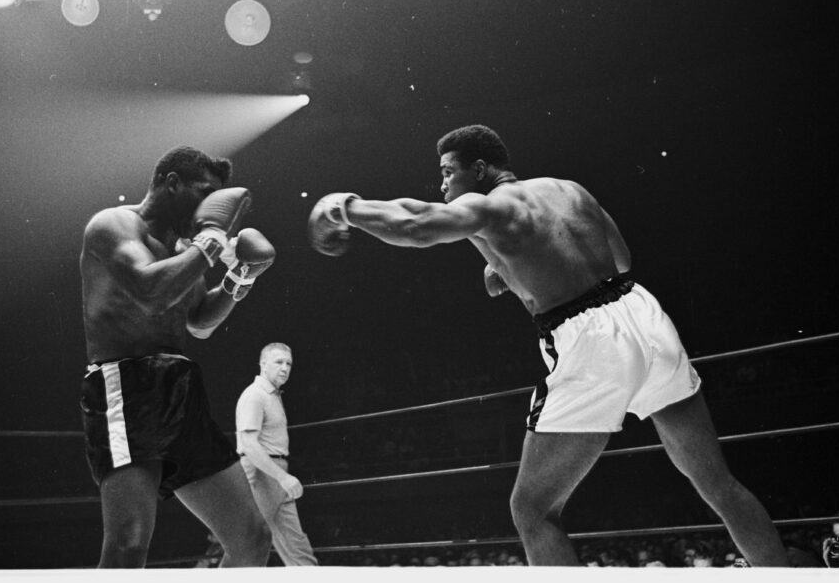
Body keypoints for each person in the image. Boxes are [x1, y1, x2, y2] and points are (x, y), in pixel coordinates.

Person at [307, 124, 789, 567]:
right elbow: (620, 260)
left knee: (532, 510)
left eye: (448, 172)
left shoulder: (487, 207)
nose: (444, 186)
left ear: (479, 170)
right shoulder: (570, 190)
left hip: (589, 342)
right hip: (645, 316)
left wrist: (344, 205)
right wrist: (511, 264)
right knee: (718, 484)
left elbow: (415, 225)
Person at [78, 144, 276, 567]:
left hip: (180, 388)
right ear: (172, 183)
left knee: (252, 539)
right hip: (126, 385)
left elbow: (199, 320)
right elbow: (151, 292)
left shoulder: (183, 246)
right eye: (203, 193)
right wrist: (207, 246)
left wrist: (239, 279)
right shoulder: (113, 225)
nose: (209, 206)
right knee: (128, 543)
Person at [235, 342, 319, 565]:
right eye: (279, 362)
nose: (285, 368)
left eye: (289, 363)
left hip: (276, 475)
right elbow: (249, 444)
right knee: (248, 544)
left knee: (296, 544)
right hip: (263, 473)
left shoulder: (272, 395)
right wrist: (282, 477)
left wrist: (282, 477)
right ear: (263, 364)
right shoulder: (255, 395)